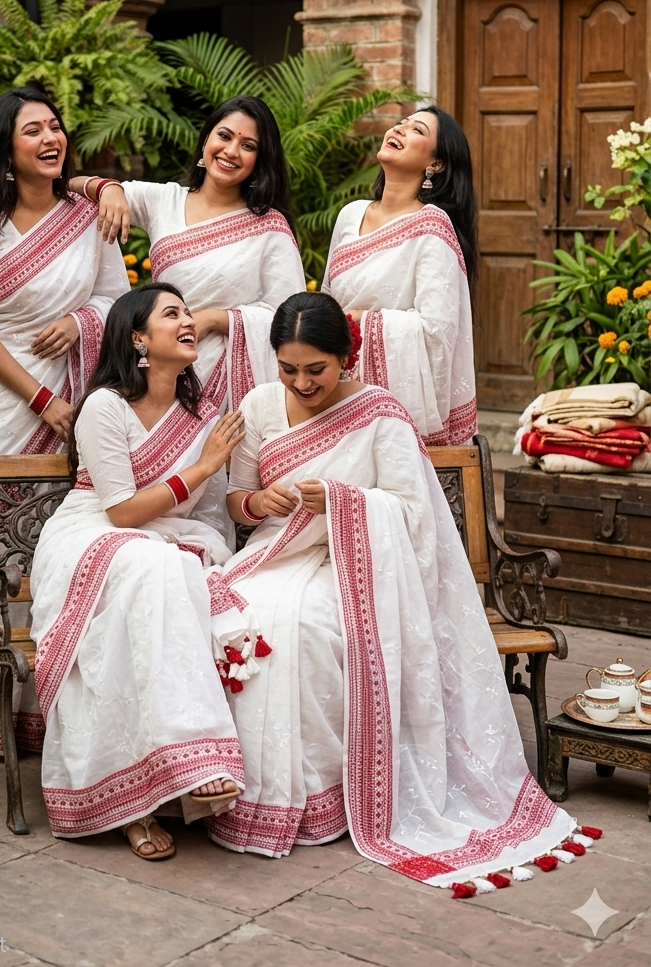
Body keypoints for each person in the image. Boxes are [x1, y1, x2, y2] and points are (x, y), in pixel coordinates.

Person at [208, 292, 576, 886]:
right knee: (238, 615)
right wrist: (256, 502)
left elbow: (411, 512)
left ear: (345, 357)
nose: (301, 382)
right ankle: (245, 793)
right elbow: (238, 499)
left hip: (359, 567)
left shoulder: (379, 413)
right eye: (288, 369)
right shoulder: (257, 405)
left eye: (316, 369)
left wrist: (338, 501)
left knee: (303, 626)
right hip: (275, 553)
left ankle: (321, 792)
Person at [0, 86, 129, 754]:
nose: (51, 139)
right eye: (32, 131)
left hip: (70, 390)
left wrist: (81, 323)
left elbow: (116, 300)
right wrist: (44, 402)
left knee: (51, 547)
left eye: (55, 127)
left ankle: (45, 711)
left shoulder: (88, 215)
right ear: (4, 148)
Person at [29, 283, 252, 860]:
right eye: (171, 314)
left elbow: (206, 517)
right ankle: (179, 766)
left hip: (160, 547)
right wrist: (203, 466)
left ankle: (155, 792)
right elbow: (122, 510)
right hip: (90, 538)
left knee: (169, 576)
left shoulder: (200, 417)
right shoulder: (104, 407)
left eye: (187, 314)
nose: (188, 322)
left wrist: (200, 544)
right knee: (154, 565)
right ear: (137, 338)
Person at [75, 96, 307, 411]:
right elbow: (70, 186)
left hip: (230, 389)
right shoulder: (163, 200)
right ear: (205, 141)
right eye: (224, 136)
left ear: (259, 160)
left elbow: (289, 317)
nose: (231, 151)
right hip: (162, 371)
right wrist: (108, 188)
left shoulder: (269, 227)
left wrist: (214, 319)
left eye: (248, 145)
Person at [323, 106, 477, 445]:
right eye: (401, 123)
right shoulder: (350, 215)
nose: (400, 129)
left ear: (435, 164)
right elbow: (328, 299)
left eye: (417, 130)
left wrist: (357, 320)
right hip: (333, 391)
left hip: (392, 407)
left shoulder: (432, 225)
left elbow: (436, 332)